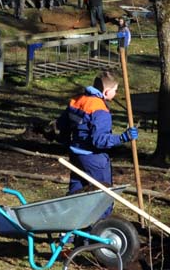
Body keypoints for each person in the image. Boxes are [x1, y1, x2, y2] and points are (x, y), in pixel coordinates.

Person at [56, 72, 136, 204]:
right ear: (106, 92)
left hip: (76, 155)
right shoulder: (100, 110)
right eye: (115, 91)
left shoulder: (77, 100)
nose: (116, 94)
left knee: (75, 195)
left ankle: (73, 221)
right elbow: (99, 141)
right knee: (103, 198)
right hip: (94, 159)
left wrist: (68, 144)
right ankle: (102, 223)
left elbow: (62, 125)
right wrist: (123, 138)